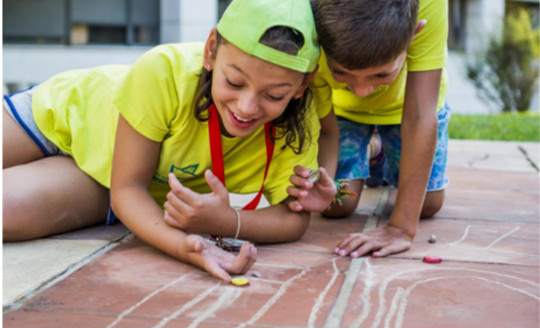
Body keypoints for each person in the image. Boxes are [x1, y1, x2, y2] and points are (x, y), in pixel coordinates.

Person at [2, 0, 336, 282]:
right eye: (234, 82)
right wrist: (183, 242)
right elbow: (129, 191)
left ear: (302, 85)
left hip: (109, 181)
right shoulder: (163, 71)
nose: (247, 107)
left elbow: (293, 218)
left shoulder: (296, 123)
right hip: (55, 115)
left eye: (274, 95)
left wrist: (219, 227)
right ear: (210, 52)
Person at [294, 0, 451, 258]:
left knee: (428, 204)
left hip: (408, 106)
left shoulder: (429, 5)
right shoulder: (306, 10)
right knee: (337, 205)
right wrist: (319, 181)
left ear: (413, 35)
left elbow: (421, 115)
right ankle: (375, 151)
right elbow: (319, 123)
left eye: (381, 75)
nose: (361, 91)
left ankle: (379, 156)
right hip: (339, 111)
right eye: (341, 72)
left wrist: (401, 228)